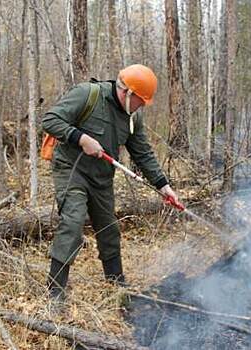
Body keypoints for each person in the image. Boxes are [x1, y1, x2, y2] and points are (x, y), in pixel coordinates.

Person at [42, 64, 180, 302]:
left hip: (102, 177)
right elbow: (51, 119)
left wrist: (163, 186)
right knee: (73, 223)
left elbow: (143, 153)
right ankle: (55, 292)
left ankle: (116, 285)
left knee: (109, 230)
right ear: (127, 92)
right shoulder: (88, 94)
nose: (142, 106)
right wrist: (81, 138)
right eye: (141, 101)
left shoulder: (133, 117)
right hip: (71, 170)